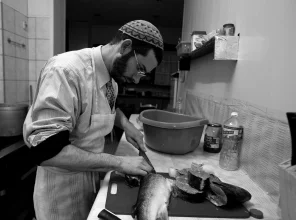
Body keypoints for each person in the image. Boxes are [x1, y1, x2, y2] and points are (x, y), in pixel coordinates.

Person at [23, 20, 164, 220]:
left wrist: (126, 125)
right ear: (125, 47)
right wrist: (119, 162)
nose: (137, 80)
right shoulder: (66, 71)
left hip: (90, 177)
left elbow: (108, 109)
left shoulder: (111, 81)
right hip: (61, 190)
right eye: (139, 69)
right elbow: (46, 151)